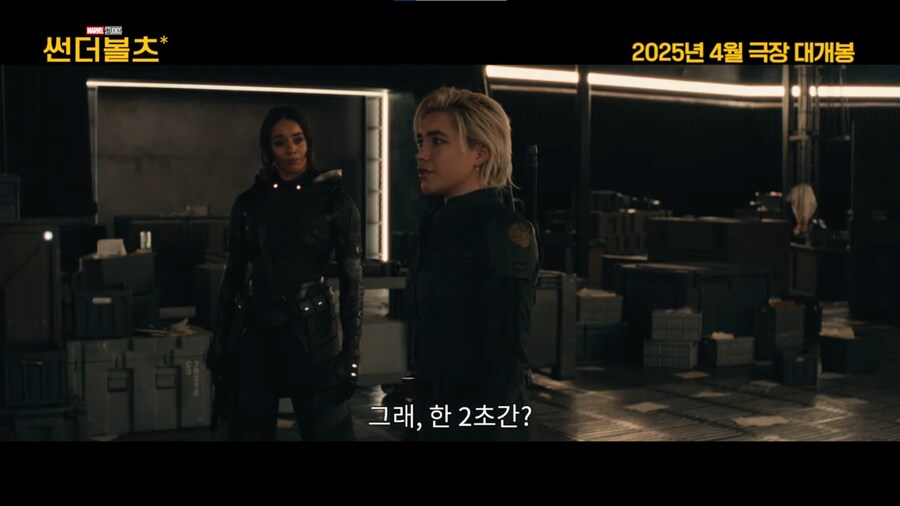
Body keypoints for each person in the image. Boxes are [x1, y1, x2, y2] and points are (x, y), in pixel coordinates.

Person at [207, 106, 363, 441]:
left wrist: (351, 353)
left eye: (297, 139)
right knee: (250, 428)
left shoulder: (335, 201)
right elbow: (233, 275)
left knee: (327, 430)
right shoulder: (249, 204)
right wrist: (219, 340)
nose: (291, 149)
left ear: (308, 143)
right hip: (257, 330)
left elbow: (352, 279)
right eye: (280, 142)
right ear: (269, 149)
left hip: (314, 331)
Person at [406, 87, 539, 441]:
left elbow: (507, 353)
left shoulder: (503, 230)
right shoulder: (434, 224)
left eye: (437, 141)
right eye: (421, 141)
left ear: (480, 153)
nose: (421, 153)